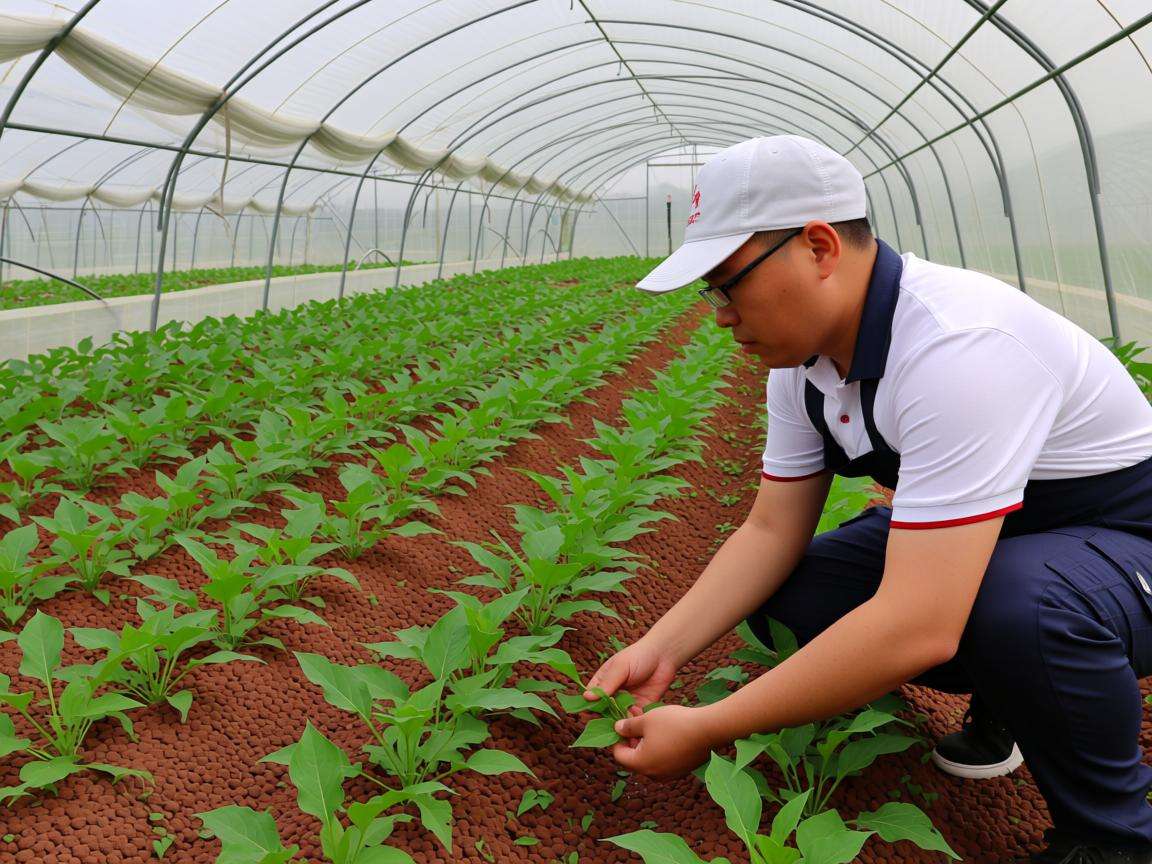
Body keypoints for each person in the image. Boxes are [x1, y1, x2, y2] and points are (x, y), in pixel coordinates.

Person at [585, 134, 1152, 864]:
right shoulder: (801, 365)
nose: (719, 313)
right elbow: (768, 532)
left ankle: (1113, 839)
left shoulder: (959, 346)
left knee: (1019, 608)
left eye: (728, 283)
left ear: (819, 246)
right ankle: (1010, 688)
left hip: (1125, 540)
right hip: (1009, 538)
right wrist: (657, 648)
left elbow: (919, 625)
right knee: (799, 594)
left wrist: (712, 725)